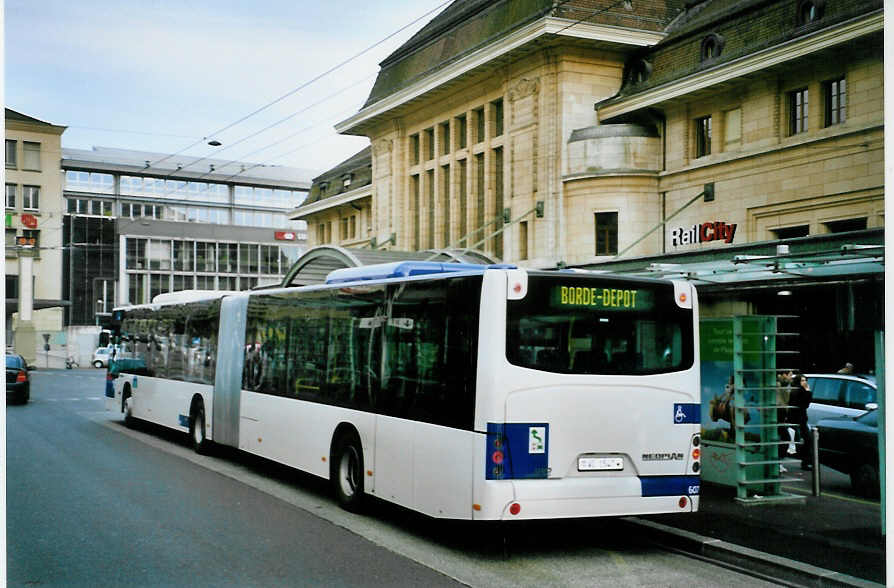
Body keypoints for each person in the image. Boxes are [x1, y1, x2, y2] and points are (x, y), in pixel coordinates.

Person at [789, 372, 814, 470]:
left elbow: (806, 404)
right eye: (802, 380)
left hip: (801, 419)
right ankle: (805, 462)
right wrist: (807, 392)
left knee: (806, 440)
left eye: (805, 380)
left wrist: (807, 391)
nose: (805, 382)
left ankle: (806, 462)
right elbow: (803, 404)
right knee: (794, 440)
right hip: (795, 419)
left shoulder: (802, 391)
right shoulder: (796, 391)